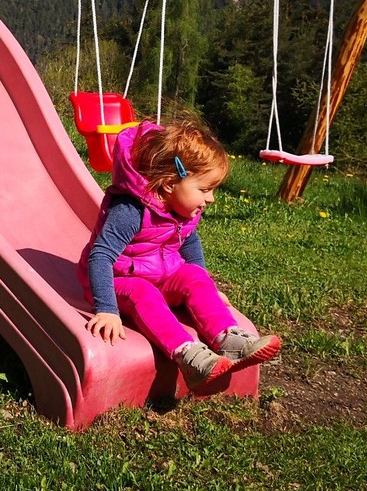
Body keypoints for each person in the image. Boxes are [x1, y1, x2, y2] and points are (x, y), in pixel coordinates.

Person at [79, 118, 281, 390]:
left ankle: (229, 339)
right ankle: (188, 354)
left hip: (162, 275)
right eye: (205, 189)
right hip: (117, 281)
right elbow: (101, 257)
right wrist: (106, 309)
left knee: (192, 276)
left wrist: (205, 284)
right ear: (170, 183)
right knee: (143, 292)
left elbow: (190, 243)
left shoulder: (183, 213)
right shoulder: (130, 211)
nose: (211, 199)